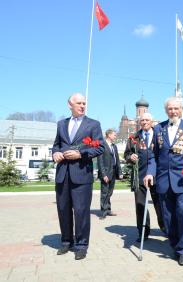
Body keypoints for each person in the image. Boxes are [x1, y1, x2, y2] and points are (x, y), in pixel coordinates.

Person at [144, 97, 183, 266]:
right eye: (170, 109)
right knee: (168, 218)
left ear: (182, 109)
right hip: (163, 180)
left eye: (176, 108)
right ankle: (175, 244)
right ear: (166, 110)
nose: (173, 111)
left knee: (182, 214)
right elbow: (154, 156)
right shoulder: (159, 128)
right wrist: (150, 173)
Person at [52, 93, 104, 260]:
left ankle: (81, 245)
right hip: (62, 175)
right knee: (63, 209)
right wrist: (55, 154)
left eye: (84, 103)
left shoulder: (93, 125)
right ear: (70, 104)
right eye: (79, 103)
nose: (82, 106)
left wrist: (80, 153)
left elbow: (100, 148)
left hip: (82, 175)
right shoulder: (61, 124)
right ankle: (67, 241)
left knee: (81, 211)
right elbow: (56, 146)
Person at [124, 112, 164, 242]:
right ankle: (143, 232)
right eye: (142, 120)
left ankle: (165, 228)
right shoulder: (134, 138)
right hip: (139, 176)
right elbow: (126, 154)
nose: (145, 122)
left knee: (160, 205)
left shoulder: (160, 135)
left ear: (152, 122)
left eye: (147, 120)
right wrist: (130, 157)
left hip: (157, 176)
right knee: (140, 205)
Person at [97, 129, 123, 220]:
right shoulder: (102, 145)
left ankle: (108, 209)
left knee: (110, 192)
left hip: (113, 172)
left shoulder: (114, 146)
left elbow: (117, 160)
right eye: (114, 135)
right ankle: (104, 211)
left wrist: (120, 172)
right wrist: (104, 174)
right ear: (108, 135)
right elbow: (100, 162)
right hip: (106, 173)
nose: (115, 136)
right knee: (104, 192)